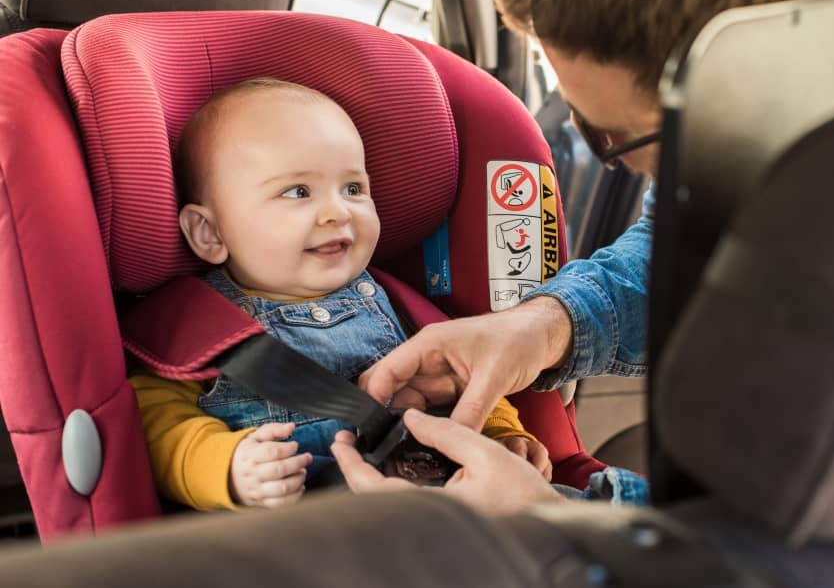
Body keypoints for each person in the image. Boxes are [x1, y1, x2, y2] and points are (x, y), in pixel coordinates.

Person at [332, 0, 834, 514]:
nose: (608, 150)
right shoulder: (776, 64)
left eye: (616, 136)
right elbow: (692, 238)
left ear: (758, 67)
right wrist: (540, 327)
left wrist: (556, 523)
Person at [129, 78, 550, 510]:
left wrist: (502, 434)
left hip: (451, 504)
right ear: (210, 232)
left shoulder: (400, 306)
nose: (337, 212)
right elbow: (159, 426)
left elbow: (464, 380)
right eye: (297, 192)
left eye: (353, 189)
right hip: (315, 531)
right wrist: (229, 467)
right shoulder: (194, 330)